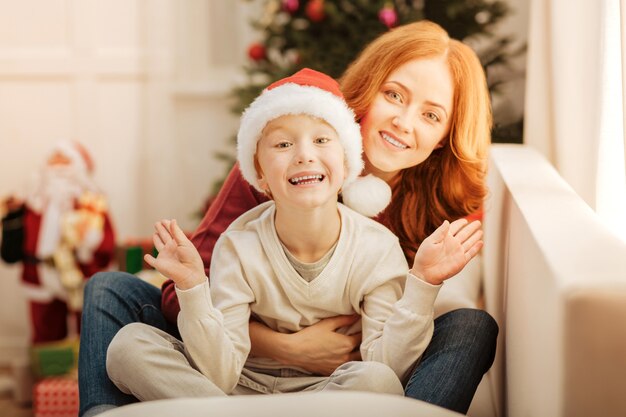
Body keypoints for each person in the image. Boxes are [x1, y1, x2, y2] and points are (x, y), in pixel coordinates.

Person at [78, 20, 498, 417]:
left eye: (431, 115)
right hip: (236, 354)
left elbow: (399, 346)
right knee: (109, 290)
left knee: (470, 328)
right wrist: (285, 347)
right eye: (394, 95)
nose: (404, 123)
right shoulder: (281, 162)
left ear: (446, 134)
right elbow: (183, 290)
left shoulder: (440, 206)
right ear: (368, 89)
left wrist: (419, 289)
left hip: (356, 369)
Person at [0, 141, 116, 343]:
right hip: (40, 274)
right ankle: (50, 372)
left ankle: (86, 372)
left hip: (80, 274)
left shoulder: (91, 202)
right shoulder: (32, 200)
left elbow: (106, 242)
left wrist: (89, 242)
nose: (58, 166)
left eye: (65, 161)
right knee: (46, 331)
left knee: (89, 330)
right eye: (53, 160)